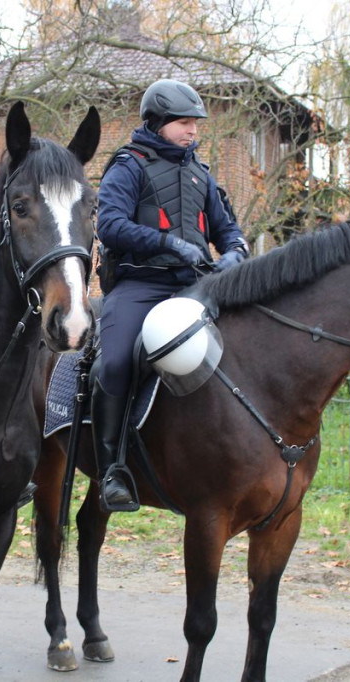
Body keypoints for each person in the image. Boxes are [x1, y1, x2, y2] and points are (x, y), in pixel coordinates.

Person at [93, 78, 249, 512]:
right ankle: (112, 471)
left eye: (196, 124)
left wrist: (235, 254)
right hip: (140, 286)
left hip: (194, 288)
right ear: (158, 123)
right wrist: (167, 242)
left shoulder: (201, 172)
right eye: (184, 123)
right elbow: (110, 225)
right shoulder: (127, 165)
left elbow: (229, 231)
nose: (193, 131)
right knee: (116, 360)